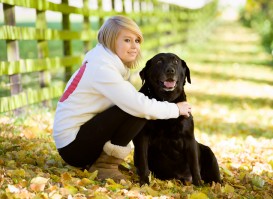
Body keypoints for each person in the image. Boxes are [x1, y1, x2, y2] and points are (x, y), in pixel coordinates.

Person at [53, 15, 192, 182]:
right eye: (127, 40)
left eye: (137, 41)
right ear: (111, 41)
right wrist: (176, 109)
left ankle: (105, 161)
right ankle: (105, 166)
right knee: (137, 108)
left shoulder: (105, 61)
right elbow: (139, 106)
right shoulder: (102, 68)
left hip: (80, 137)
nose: (134, 47)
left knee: (135, 104)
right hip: (73, 147)